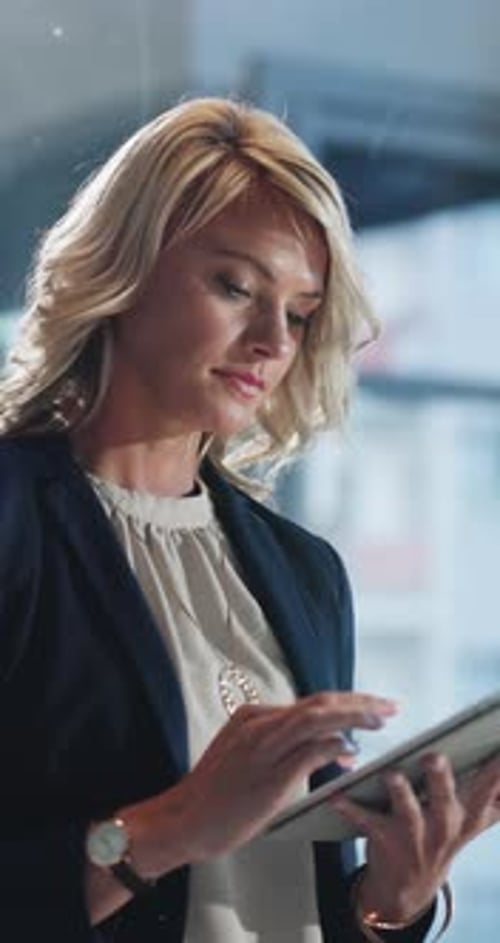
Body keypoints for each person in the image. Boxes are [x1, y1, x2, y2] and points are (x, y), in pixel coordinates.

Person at [0, 97, 498, 943]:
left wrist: (393, 899)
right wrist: (170, 826)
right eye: (236, 285)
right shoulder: (15, 519)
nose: (273, 339)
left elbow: (295, 908)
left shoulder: (304, 572)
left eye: (300, 314)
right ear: (126, 265)